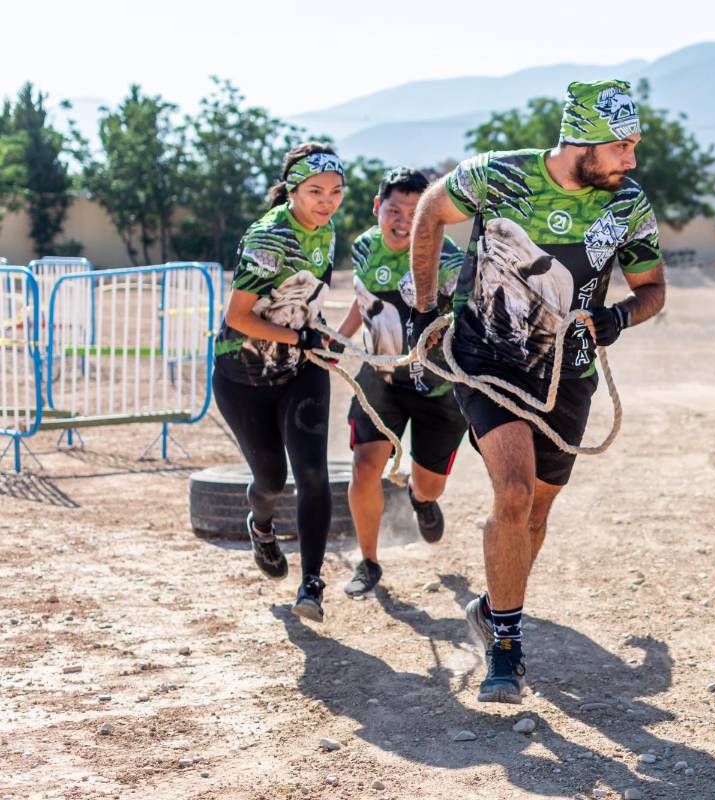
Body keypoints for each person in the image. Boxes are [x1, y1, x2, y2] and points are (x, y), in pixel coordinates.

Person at [408, 79, 666, 704]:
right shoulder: (497, 175)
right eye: (623, 146)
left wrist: (619, 317)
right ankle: (506, 651)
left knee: (537, 511)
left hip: (569, 372)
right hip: (486, 358)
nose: (631, 160)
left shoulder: (627, 204)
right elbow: (430, 212)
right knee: (515, 492)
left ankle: (492, 607)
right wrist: (424, 309)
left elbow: (653, 289)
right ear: (583, 142)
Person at [211, 142, 343, 622]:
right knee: (271, 479)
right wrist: (298, 335)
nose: (326, 202)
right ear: (292, 190)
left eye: (335, 191)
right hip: (242, 376)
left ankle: (311, 584)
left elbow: (308, 302)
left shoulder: (326, 231)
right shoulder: (269, 238)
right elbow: (238, 316)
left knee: (313, 472)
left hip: (299, 369)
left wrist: (319, 335)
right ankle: (261, 527)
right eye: (315, 191)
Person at [334, 168, 469, 598]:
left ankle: (421, 499)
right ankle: (368, 561)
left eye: (416, 212)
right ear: (377, 207)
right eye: (394, 210)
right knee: (364, 467)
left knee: (430, 484)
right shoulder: (363, 247)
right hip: (381, 379)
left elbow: (471, 318)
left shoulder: (449, 261)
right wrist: (338, 339)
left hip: (438, 390)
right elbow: (364, 301)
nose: (404, 221)